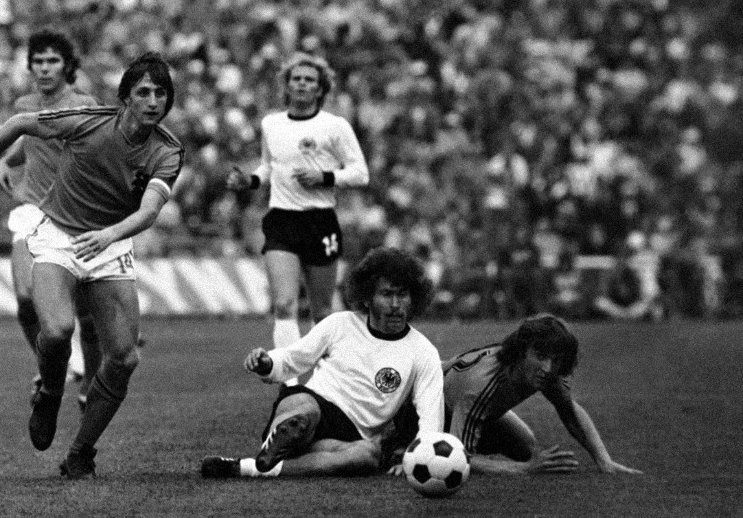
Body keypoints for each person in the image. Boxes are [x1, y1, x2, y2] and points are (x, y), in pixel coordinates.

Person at [0, 51, 184, 479]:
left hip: (109, 244)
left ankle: (81, 451)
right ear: (126, 97)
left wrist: (110, 235)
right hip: (59, 237)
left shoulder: (168, 150)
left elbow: (150, 210)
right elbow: (19, 123)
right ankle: (49, 393)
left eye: (161, 93)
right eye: (143, 92)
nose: (154, 101)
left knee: (124, 359)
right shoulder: (88, 121)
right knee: (58, 330)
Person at [201, 247, 444, 478]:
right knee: (303, 409)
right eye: (387, 294)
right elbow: (292, 359)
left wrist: (416, 458)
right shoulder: (340, 324)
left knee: (367, 455)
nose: (395, 305)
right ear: (367, 297)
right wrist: (266, 363)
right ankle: (283, 437)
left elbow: (431, 417)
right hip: (315, 404)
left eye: (402, 295)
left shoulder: (423, 352)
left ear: (414, 298)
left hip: (348, 438)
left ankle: (251, 467)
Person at [227, 52, 369, 385]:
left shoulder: (334, 126)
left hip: (320, 221)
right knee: (284, 304)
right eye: (296, 79)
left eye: (309, 80)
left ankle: (328, 381)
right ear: (287, 85)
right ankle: (288, 383)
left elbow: (360, 173)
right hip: (281, 219)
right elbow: (268, 166)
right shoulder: (271, 124)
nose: (302, 84)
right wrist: (250, 181)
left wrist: (325, 177)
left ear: (321, 89)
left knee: (322, 311)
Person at [0, 29, 100, 407]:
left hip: (73, 214)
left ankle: (90, 381)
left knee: (85, 314)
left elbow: (97, 153)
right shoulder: (24, 104)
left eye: (52, 60)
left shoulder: (84, 105)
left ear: (67, 66)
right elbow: (29, 140)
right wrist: (5, 161)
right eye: (38, 61)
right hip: (31, 211)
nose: (44, 67)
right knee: (25, 299)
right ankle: (56, 365)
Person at [404, 313, 642, 475]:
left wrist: (604, 460)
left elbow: (569, 411)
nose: (548, 368)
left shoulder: (543, 370)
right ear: (520, 352)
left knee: (527, 447)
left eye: (556, 360)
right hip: (418, 408)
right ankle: (402, 446)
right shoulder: (479, 386)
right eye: (541, 356)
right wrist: (525, 469)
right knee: (446, 459)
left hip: (470, 404)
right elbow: (461, 457)